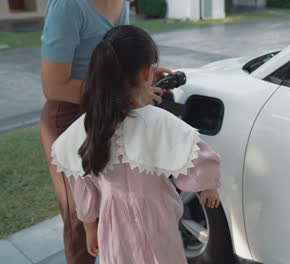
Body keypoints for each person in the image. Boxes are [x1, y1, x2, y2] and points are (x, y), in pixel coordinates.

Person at [50, 25, 222, 264]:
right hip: (157, 223)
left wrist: (90, 227)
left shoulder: (89, 126)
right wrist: (208, 186)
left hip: (113, 230)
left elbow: (82, 184)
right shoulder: (160, 122)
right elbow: (198, 156)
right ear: (147, 72)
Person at [40, 1, 172, 263]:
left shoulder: (120, 3)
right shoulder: (68, 6)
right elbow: (54, 86)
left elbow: (115, 61)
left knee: (115, 207)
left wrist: (142, 75)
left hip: (105, 111)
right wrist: (128, 91)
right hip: (68, 118)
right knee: (82, 217)